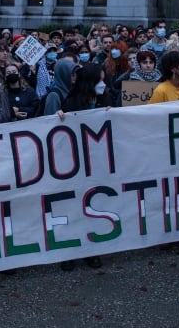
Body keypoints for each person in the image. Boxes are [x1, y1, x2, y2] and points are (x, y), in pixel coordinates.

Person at [56, 63, 110, 271]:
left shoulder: (105, 98)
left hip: (97, 163)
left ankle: (91, 250)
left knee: (93, 206)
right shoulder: (72, 102)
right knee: (73, 207)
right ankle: (68, 252)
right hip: (74, 164)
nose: (103, 84)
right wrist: (60, 118)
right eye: (100, 80)